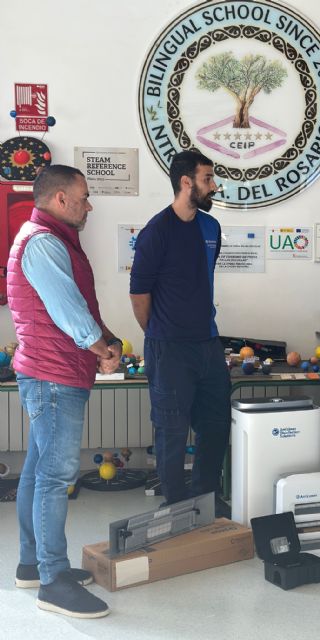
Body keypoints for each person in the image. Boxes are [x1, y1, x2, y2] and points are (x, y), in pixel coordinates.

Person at [7, 165, 122, 618]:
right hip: (54, 376)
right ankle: (53, 581)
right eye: (84, 196)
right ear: (59, 199)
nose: (88, 205)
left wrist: (108, 341)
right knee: (55, 479)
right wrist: (102, 349)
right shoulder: (44, 243)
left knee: (37, 474)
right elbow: (70, 312)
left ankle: (32, 565)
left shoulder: (48, 239)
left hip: (53, 371)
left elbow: (83, 306)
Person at [129, 150, 231, 510]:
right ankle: (174, 507)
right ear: (186, 182)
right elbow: (139, 295)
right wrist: (158, 332)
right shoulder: (155, 233)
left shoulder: (211, 228)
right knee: (171, 432)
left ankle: (204, 501)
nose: (214, 186)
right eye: (208, 179)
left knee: (216, 426)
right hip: (169, 348)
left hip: (208, 344)